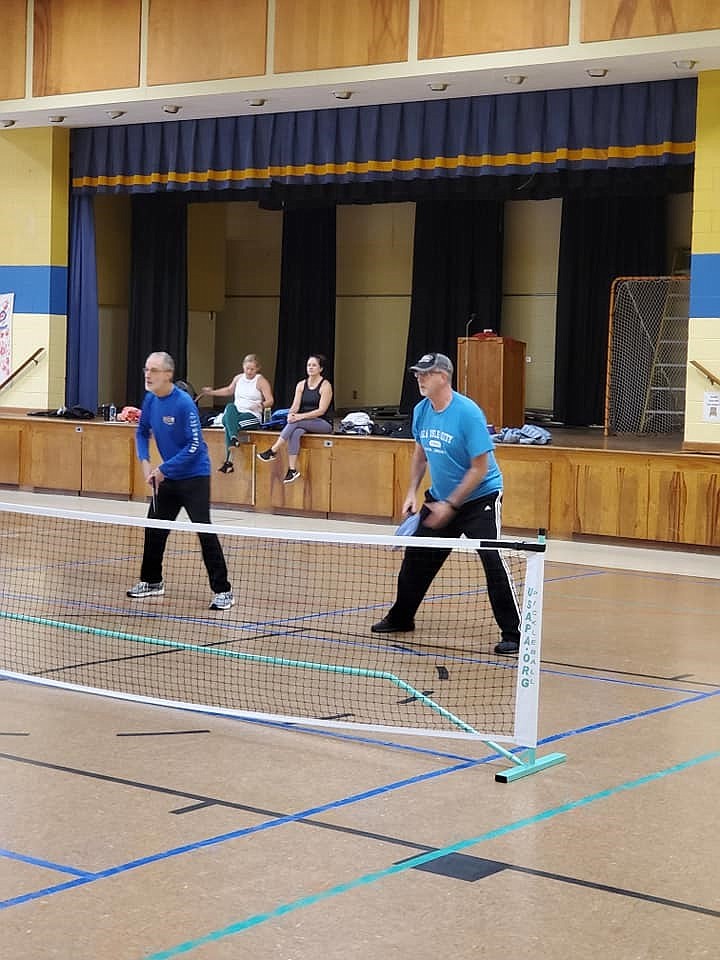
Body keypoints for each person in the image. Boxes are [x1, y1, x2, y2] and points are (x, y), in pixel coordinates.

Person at [371, 352, 521, 656]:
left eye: (425, 374)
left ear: (443, 376)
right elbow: (419, 454)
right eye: (417, 374)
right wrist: (412, 492)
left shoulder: (468, 413)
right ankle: (401, 618)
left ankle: (513, 633)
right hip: (438, 498)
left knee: (492, 559)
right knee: (416, 560)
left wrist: (451, 506)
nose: (419, 379)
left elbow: (479, 468)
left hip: (480, 499)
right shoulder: (421, 410)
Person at [126, 351, 234, 611]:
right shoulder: (150, 400)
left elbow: (195, 446)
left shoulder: (184, 404)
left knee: (204, 531)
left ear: (167, 374)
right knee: (154, 528)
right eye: (146, 369)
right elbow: (141, 433)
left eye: (153, 370)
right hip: (166, 477)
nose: (147, 375)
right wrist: (145, 465)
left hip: (194, 476)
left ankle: (223, 591)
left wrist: (163, 468)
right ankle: (152, 581)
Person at [256, 354, 333, 483]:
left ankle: (273, 450)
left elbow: (321, 411)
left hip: (322, 422)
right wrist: (291, 414)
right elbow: (295, 406)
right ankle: (292, 470)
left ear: (321, 369)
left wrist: (298, 417)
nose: (310, 368)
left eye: (314, 365)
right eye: (309, 365)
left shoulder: (325, 386)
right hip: (302, 422)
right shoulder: (301, 385)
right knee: (295, 432)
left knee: (297, 422)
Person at [198, 354, 274, 474]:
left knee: (229, 424)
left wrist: (261, 405)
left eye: (252, 369)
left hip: (251, 415)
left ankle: (229, 461)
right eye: (247, 368)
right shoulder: (238, 378)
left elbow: (270, 400)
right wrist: (211, 393)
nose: (249, 371)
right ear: (243, 366)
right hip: (236, 413)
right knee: (229, 407)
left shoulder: (261, 381)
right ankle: (233, 440)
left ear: (257, 368)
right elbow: (229, 390)